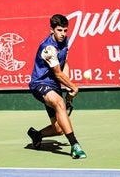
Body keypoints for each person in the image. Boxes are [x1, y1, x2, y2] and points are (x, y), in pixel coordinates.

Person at [28, 14, 87, 159]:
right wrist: (74, 87)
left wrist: (68, 86)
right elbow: (58, 73)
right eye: (59, 30)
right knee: (59, 103)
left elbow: (64, 63)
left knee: (59, 129)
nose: (63, 34)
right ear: (52, 30)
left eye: (65, 30)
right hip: (40, 84)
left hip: (54, 85)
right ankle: (75, 146)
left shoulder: (64, 41)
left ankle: (36, 135)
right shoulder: (49, 48)